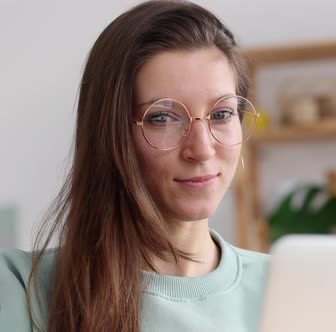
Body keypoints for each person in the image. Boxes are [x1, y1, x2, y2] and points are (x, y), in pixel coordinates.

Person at [0, 1, 269, 331]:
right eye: (162, 117)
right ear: (111, 134)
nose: (201, 149)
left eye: (222, 114)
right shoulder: (21, 290)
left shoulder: (287, 288)